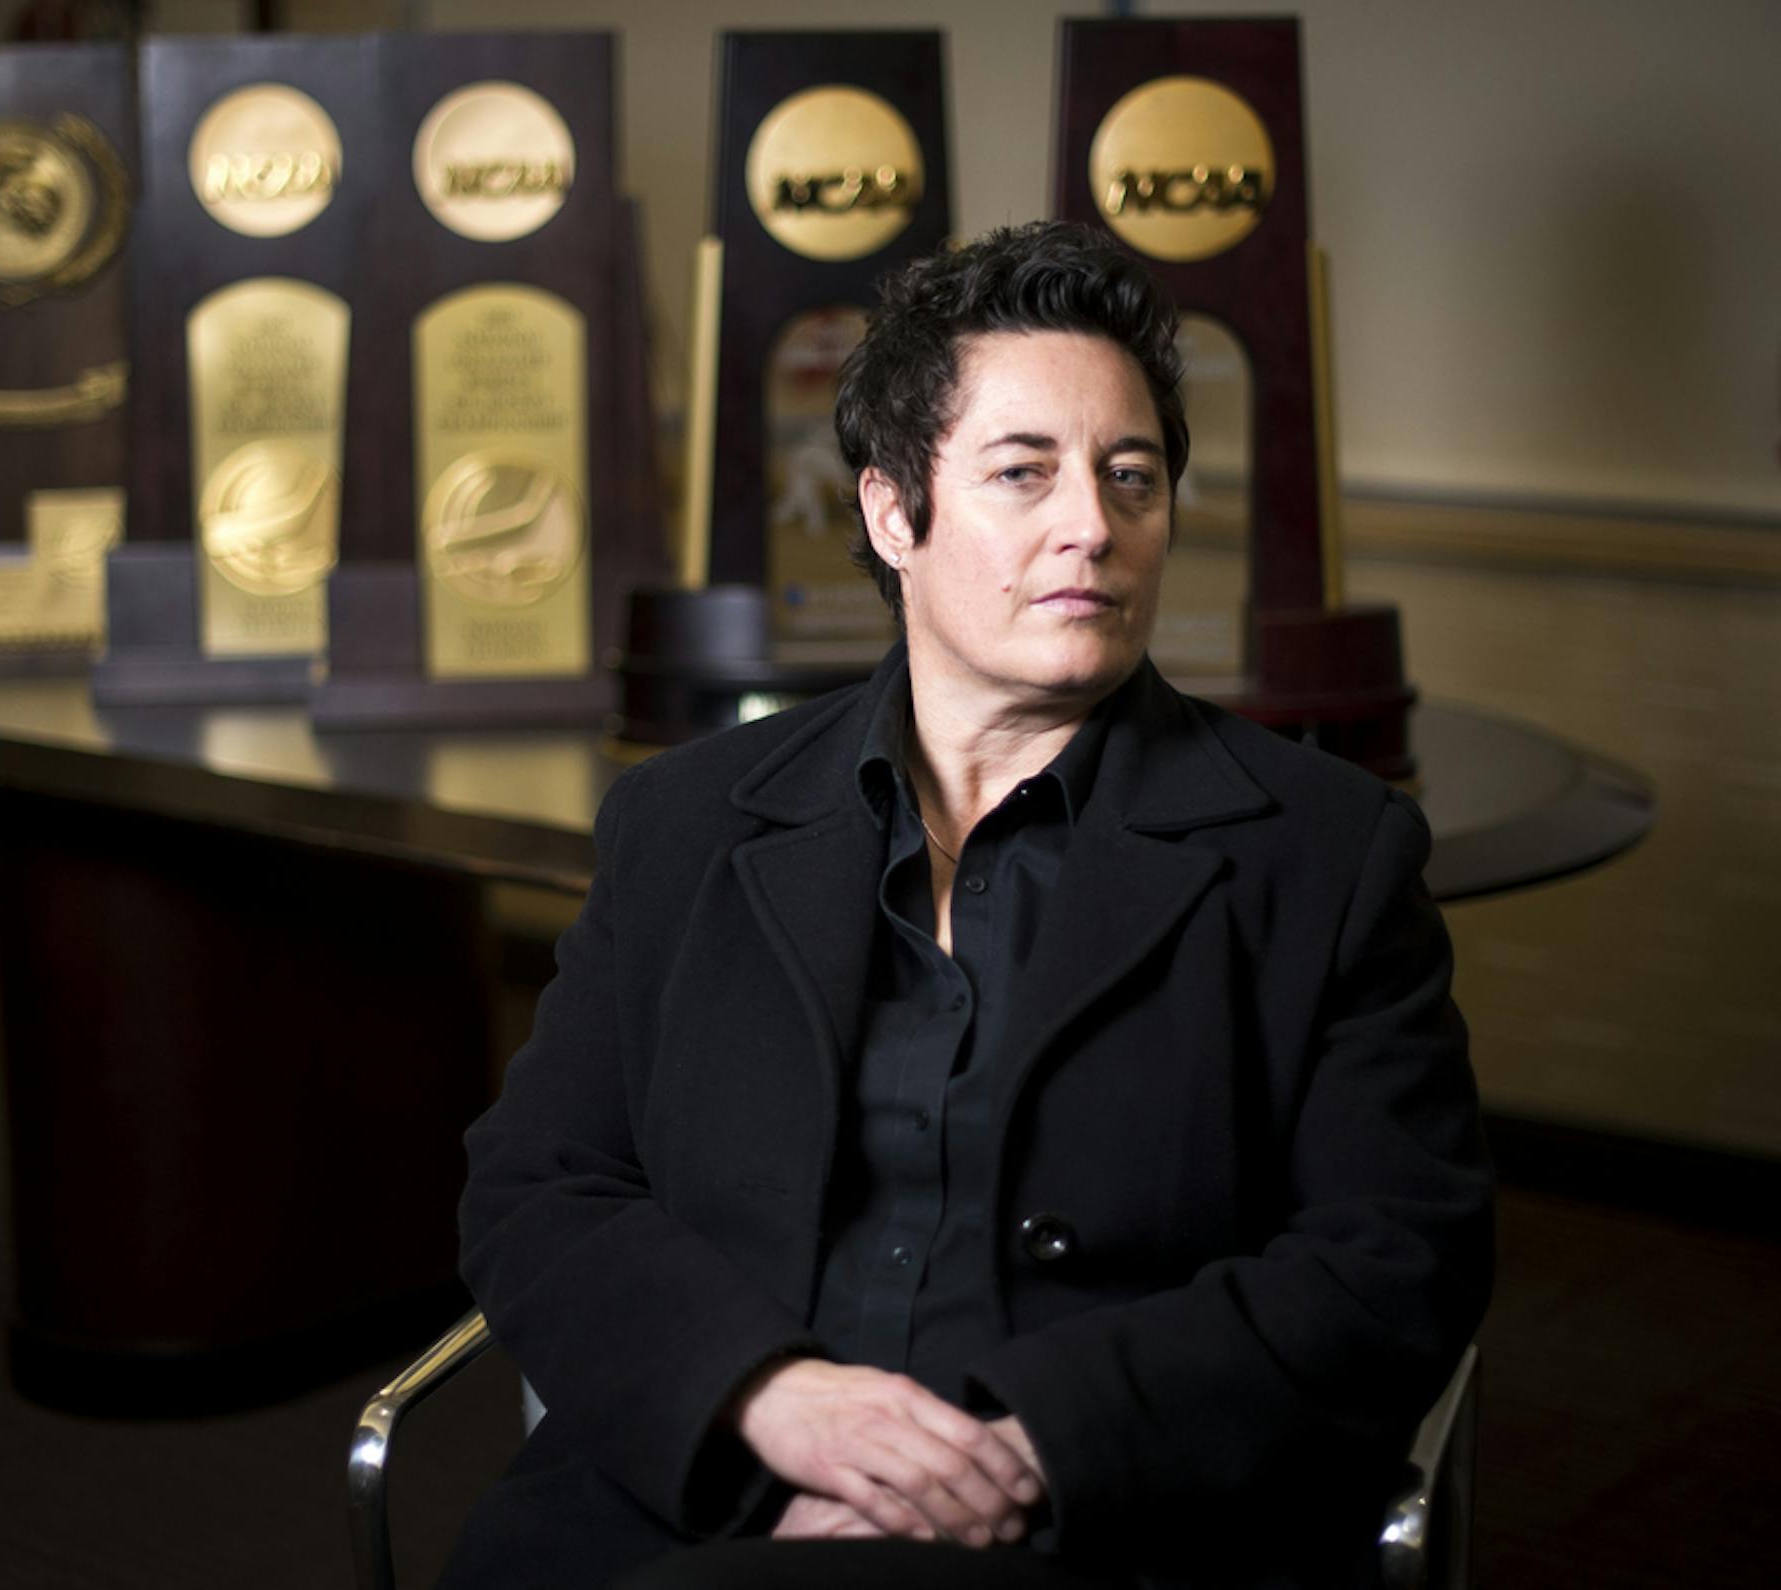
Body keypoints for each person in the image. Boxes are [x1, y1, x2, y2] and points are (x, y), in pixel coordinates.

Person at [440, 220, 1493, 1589]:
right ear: (893, 510)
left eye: (1134, 476)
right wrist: (766, 1399)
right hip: (703, 1488)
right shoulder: (685, 821)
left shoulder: (1324, 852)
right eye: (1023, 472)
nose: (1093, 528)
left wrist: (1022, 1446)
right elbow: (539, 1186)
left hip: (1109, 1516)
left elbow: (1393, 1255)